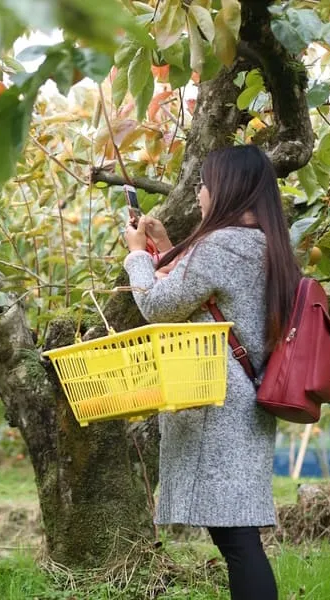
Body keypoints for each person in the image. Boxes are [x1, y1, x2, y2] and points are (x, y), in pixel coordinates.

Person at [123, 145, 298, 600]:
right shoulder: (268, 245)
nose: (199, 194)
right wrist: (166, 249)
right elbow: (204, 296)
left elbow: (158, 306)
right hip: (246, 398)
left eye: (203, 184)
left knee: (238, 542)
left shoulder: (221, 245)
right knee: (236, 536)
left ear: (226, 188)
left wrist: (137, 256)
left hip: (219, 404)